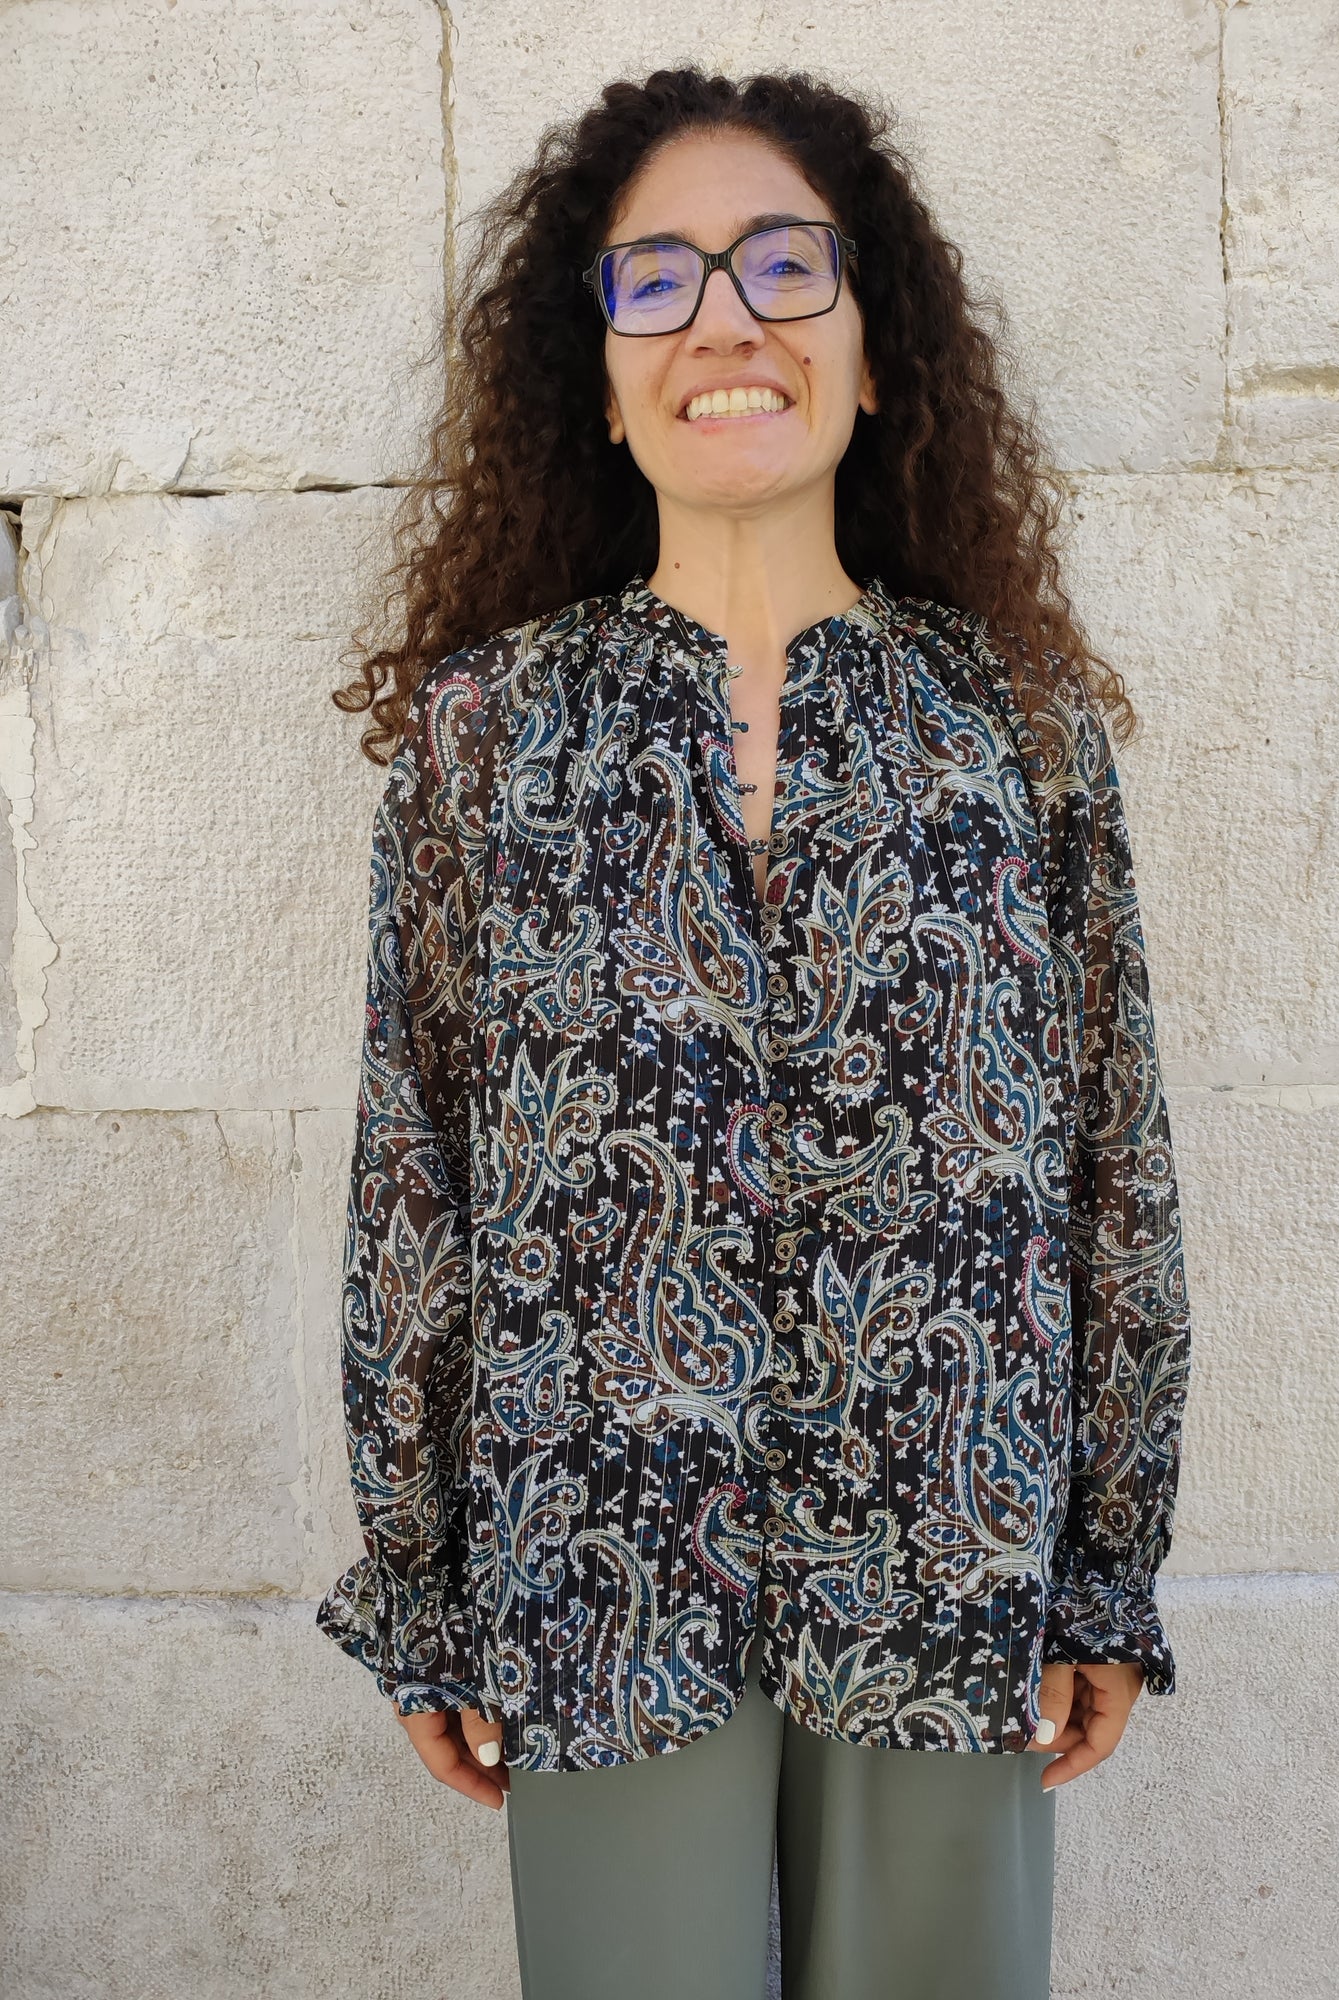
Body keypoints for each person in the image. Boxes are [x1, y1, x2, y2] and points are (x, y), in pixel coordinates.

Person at [317, 65, 1193, 2000]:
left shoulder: (1015, 728)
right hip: (600, 1563)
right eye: (659, 280)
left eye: (785, 266)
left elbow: (1114, 1159)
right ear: (600, 377)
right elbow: (413, 1182)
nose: (725, 319)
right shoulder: (484, 740)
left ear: (876, 357)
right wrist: (421, 1579)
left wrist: (1104, 1562)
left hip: (949, 1544)